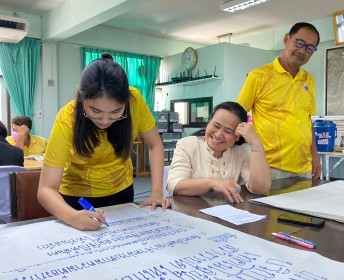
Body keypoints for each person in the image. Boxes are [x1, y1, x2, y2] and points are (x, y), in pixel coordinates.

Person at [37, 53, 171, 231]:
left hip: (122, 192)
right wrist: (71, 216)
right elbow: (46, 189)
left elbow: (155, 145)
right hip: (76, 200)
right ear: (82, 99)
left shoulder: (135, 100)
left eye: (116, 111)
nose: (105, 120)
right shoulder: (67, 119)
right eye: (95, 111)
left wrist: (156, 193)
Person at [237, 22, 322, 181]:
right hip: (269, 166)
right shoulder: (259, 76)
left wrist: (315, 157)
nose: (302, 50)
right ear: (286, 39)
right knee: (266, 207)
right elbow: (237, 115)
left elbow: (307, 121)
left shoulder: (308, 81)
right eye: (300, 43)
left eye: (310, 48)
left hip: (304, 168)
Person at [167, 102, 271, 203]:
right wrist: (212, 183)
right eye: (216, 126)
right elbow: (174, 185)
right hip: (191, 211)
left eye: (228, 131)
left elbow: (260, 190)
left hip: (227, 214)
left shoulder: (242, 151)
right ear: (209, 123)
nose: (218, 134)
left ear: (237, 136)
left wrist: (256, 144)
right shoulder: (187, 145)